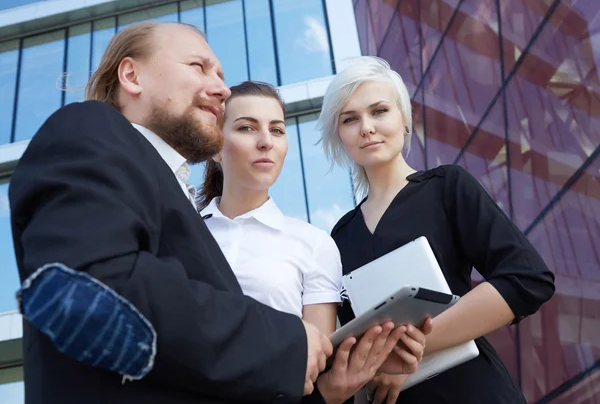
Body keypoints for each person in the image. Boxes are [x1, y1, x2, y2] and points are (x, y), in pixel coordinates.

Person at [9, 21, 333, 404]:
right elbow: (93, 286)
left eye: (221, 75)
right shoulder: (89, 127)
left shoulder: (168, 191)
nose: (222, 89)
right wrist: (288, 344)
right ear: (132, 75)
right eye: (199, 66)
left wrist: (330, 384)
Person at [317, 56, 556, 404]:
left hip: (473, 391)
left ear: (404, 119)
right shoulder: (338, 237)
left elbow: (527, 278)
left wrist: (409, 353)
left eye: (379, 111)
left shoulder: (446, 187)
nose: (366, 127)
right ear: (339, 135)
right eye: (350, 119)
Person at [197, 81, 432, 403]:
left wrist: (374, 355)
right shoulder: (178, 233)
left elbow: (317, 366)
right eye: (247, 128)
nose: (266, 142)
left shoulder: (313, 243)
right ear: (215, 146)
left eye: (277, 130)